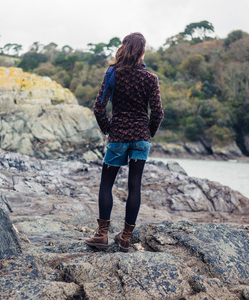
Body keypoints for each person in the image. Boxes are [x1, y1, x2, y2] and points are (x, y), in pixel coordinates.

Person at [85, 32, 164, 252]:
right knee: (134, 186)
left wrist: (108, 129)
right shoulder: (150, 78)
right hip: (141, 139)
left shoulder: (113, 73)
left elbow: (99, 107)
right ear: (142, 51)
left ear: (124, 47)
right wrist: (148, 133)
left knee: (106, 185)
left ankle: (102, 235)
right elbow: (158, 113)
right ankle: (126, 237)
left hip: (118, 136)